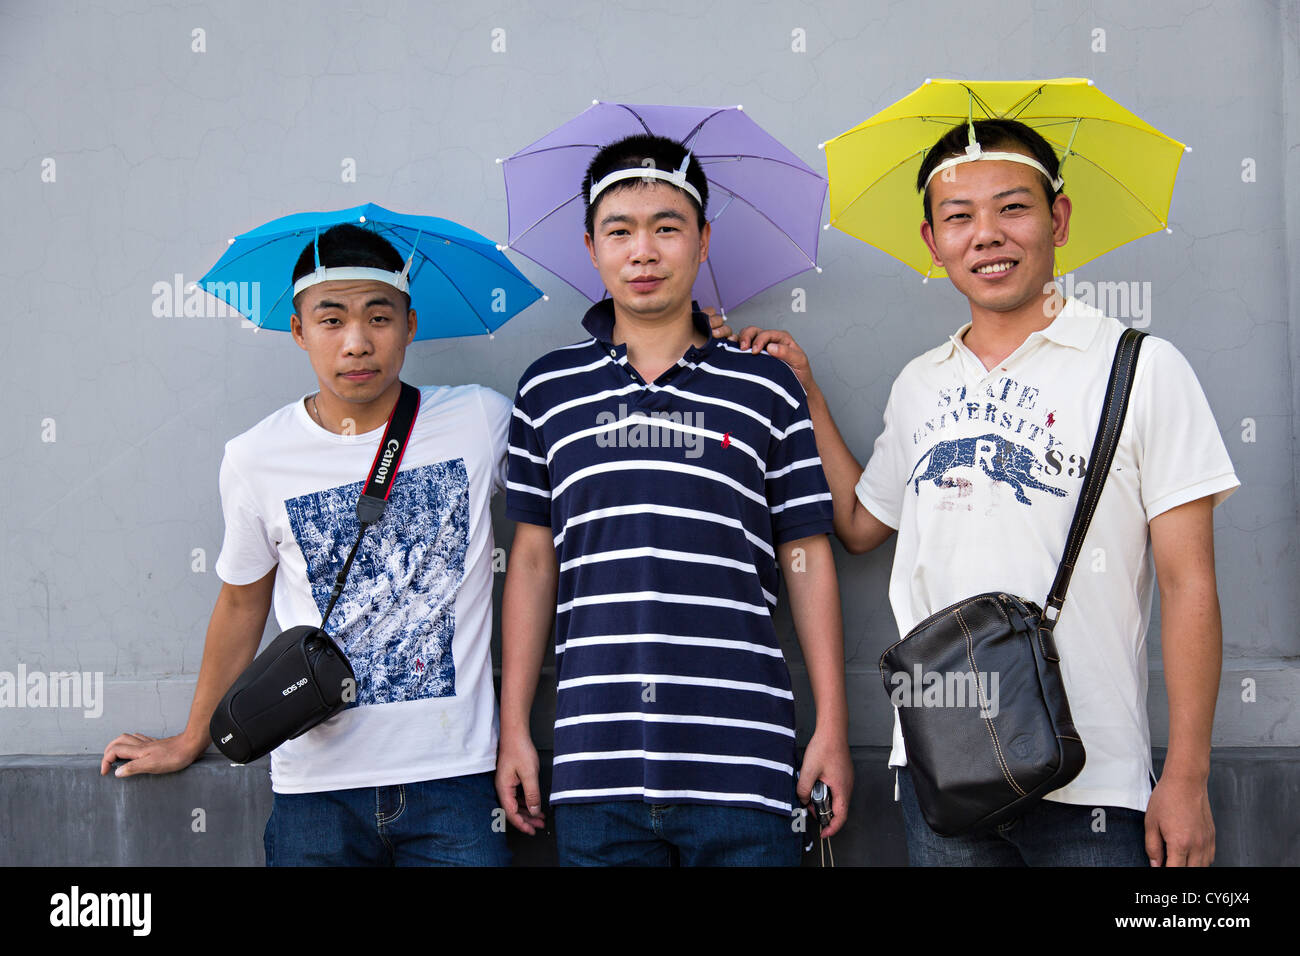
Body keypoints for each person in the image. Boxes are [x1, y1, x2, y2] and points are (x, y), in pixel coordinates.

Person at [737, 118, 1239, 867]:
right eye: (959, 217)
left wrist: (1188, 776)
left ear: (1058, 220)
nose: (987, 236)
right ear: (931, 243)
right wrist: (806, 393)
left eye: (1012, 208)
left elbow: (1188, 579)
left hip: (1093, 783)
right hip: (947, 774)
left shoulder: (1140, 367)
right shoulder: (921, 383)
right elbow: (858, 525)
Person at [100, 223, 512, 866]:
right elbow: (241, 605)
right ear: (298, 330)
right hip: (316, 791)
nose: (356, 342)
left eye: (379, 317)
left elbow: (584, 453)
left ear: (409, 324)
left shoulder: (481, 421)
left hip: (454, 779)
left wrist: (703, 349)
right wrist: (192, 738)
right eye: (331, 319)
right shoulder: (256, 458)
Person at [495, 133, 852, 866]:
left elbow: (807, 553)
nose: (644, 251)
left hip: (745, 765)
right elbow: (531, 564)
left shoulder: (766, 387)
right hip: (595, 767)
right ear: (591, 248)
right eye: (620, 231)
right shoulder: (547, 391)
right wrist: (515, 730)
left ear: (703, 240)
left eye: (667, 227)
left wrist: (833, 729)